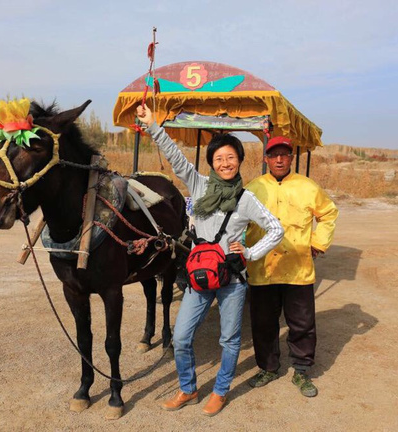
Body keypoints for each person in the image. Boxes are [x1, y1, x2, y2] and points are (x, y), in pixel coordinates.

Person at [136, 105, 284, 416]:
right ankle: (188, 389)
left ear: (239, 160)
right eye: (219, 159)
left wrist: (250, 253)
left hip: (232, 279)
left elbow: (276, 229)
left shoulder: (246, 199)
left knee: (229, 339)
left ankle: (220, 390)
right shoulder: (200, 185)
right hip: (200, 275)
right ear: (212, 164)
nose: (225, 163)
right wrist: (153, 126)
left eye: (231, 157)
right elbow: (176, 158)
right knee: (181, 336)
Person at [244, 136, 338, 397]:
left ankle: (301, 370)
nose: (279, 159)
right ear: (266, 159)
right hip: (264, 270)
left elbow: (328, 213)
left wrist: (319, 242)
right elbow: (240, 223)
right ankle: (268, 367)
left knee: (302, 323)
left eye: (284, 154)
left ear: (291, 158)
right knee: (263, 323)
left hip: (298, 270)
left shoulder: (308, 187)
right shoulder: (253, 188)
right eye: (274, 155)